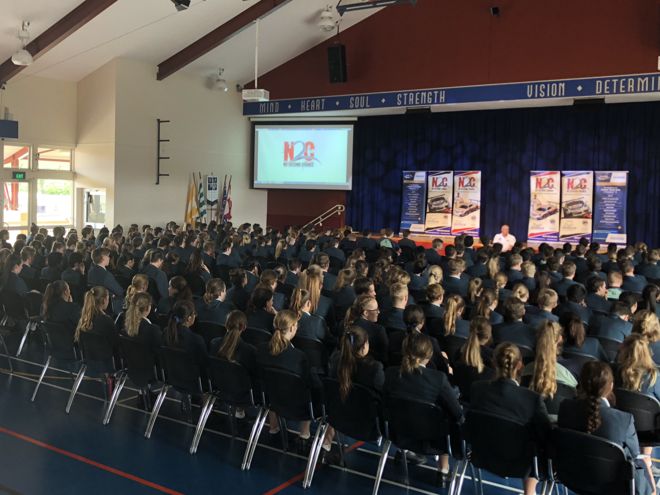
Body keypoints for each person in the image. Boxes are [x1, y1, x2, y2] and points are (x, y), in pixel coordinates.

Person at [558, 362, 654, 495]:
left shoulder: (565, 408)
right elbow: (635, 458)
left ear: (581, 383)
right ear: (611, 386)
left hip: (572, 478)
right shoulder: (624, 420)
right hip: (612, 486)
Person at [470, 343, 551, 495]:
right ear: (520, 365)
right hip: (519, 464)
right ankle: (530, 491)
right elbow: (545, 434)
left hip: (482, 455)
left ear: (493, 362)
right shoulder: (532, 399)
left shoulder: (477, 388)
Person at [384, 332, 463, 475]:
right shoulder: (439, 379)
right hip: (434, 442)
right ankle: (443, 470)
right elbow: (457, 414)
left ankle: (406, 453)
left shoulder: (390, 373)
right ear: (429, 355)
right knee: (449, 417)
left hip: (399, 434)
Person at [322, 326, 385, 462]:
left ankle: (324, 445)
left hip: (336, 418)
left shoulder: (335, 359)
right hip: (366, 427)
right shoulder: (375, 368)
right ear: (364, 346)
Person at [256, 309, 317, 441]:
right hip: (297, 407)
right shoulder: (299, 356)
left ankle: (274, 427)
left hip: (271, 400)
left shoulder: (261, 349)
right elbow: (311, 384)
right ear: (292, 328)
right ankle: (304, 434)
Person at [454, 316, 495, 401]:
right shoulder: (492, 357)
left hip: (462, 399)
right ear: (488, 336)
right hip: (483, 402)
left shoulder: (460, 352)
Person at [344, 294, 388, 364]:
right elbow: (384, 358)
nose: (378, 312)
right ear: (366, 313)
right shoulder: (378, 330)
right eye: (376, 309)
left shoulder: (345, 326)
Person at [163, 300, 207, 368]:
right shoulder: (196, 340)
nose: (195, 315)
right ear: (189, 318)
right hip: (191, 377)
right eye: (194, 313)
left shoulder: (166, 332)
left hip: (170, 376)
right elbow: (204, 366)